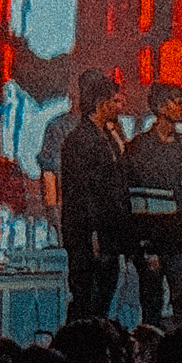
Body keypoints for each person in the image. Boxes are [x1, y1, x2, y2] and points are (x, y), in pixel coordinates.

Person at [44, 72, 132, 324]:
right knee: (87, 296)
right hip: (88, 232)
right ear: (101, 103)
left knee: (104, 292)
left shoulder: (109, 137)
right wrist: (92, 231)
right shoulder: (80, 140)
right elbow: (82, 190)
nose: (119, 106)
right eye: (114, 101)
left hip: (107, 230)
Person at [120, 81, 182, 329]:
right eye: (177, 102)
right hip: (152, 237)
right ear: (160, 107)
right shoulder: (139, 147)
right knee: (152, 302)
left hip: (181, 237)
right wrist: (147, 246)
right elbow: (135, 197)